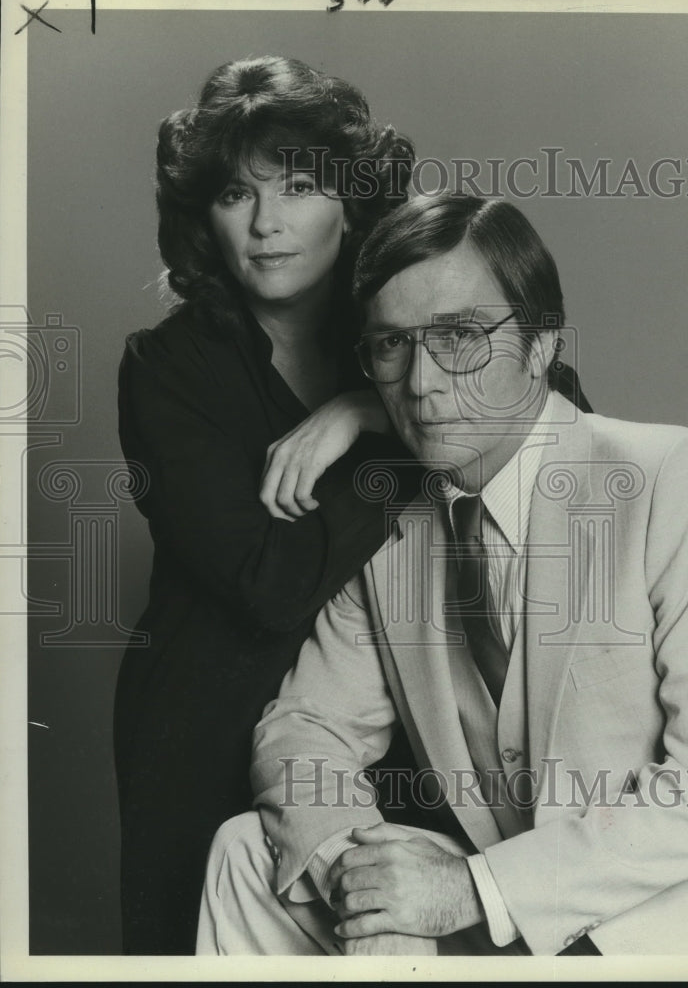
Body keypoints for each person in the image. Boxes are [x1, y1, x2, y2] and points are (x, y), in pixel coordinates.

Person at [197, 194, 688, 957]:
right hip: (499, 904)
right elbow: (304, 729)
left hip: (645, 919)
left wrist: (467, 891)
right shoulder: (391, 526)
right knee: (246, 849)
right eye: (391, 344)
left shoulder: (667, 477)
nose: (419, 383)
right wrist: (366, 887)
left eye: (458, 336)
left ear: (541, 345)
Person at [114, 54, 424, 955]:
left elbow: (550, 399)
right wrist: (406, 437)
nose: (265, 224)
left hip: (381, 718)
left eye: (296, 187)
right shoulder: (167, 366)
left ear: (351, 200)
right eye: (234, 197)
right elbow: (266, 583)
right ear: (202, 219)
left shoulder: (403, 318)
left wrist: (366, 406)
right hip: (207, 723)